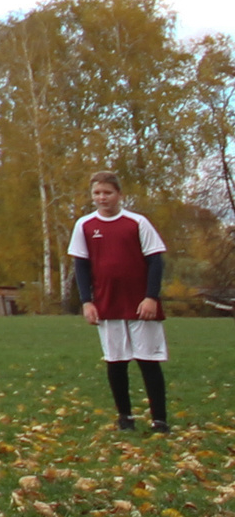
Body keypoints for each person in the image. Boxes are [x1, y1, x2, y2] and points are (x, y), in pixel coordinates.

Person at [70, 171, 170, 434]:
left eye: (107, 192)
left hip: (140, 306)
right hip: (107, 304)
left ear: (119, 195)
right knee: (116, 362)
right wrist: (86, 302)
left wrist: (151, 297)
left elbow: (155, 261)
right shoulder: (85, 225)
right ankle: (125, 418)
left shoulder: (137, 223)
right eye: (97, 193)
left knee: (148, 361)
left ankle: (159, 420)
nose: (102, 198)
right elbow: (81, 266)